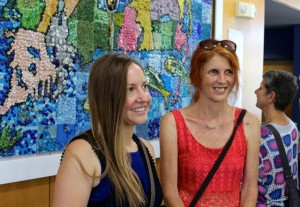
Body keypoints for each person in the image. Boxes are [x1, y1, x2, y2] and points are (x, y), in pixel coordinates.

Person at [159, 39, 261, 207]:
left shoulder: (249, 122)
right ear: (197, 76)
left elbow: (250, 187)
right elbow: (170, 193)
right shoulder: (173, 123)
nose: (222, 80)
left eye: (228, 72)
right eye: (213, 72)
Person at [53, 53, 163, 207]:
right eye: (131, 89)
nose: (144, 97)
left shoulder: (146, 149)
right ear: (108, 96)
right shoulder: (82, 153)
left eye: (144, 86)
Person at [255, 70, 299, 206]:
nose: (255, 91)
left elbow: (248, 179)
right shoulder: (293, 127)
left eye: (261, 87)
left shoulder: (261, 136)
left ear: (270, 97)